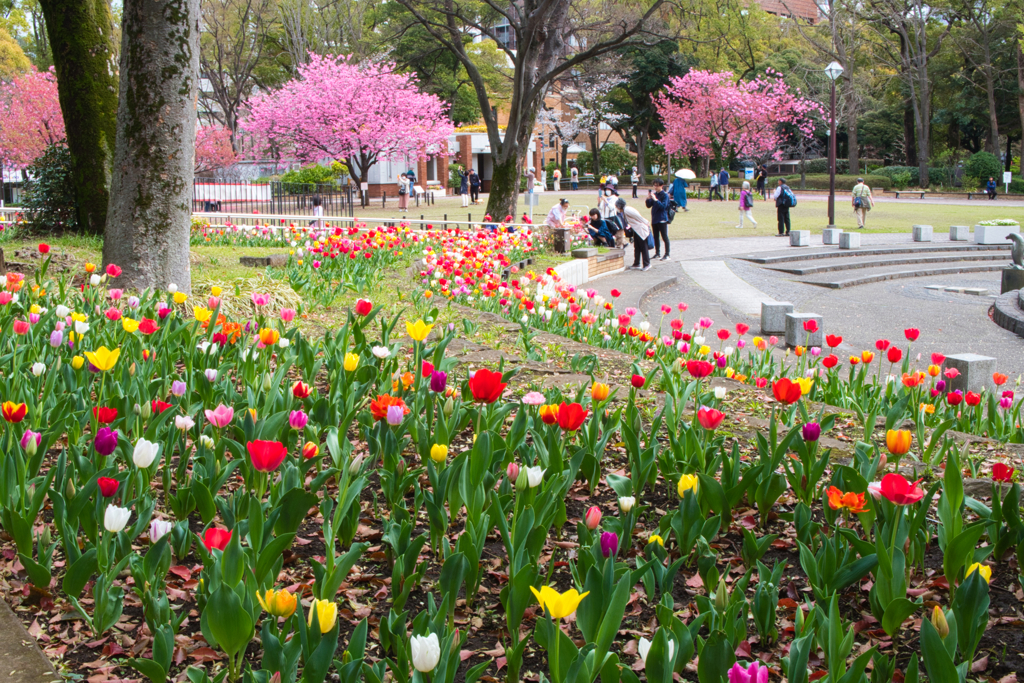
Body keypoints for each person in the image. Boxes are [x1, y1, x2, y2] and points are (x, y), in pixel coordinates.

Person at [615, 197, 652, 271]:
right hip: (636, 230)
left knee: (643, 247)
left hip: (640, 229)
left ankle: (647, 264)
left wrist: (646, 222)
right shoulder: (625, 210)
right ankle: (636, 263)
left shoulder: (627, 210)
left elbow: (638, 217)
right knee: (637, 247)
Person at [646, 178, 671, 260]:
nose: (655, 187)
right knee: (656, 237)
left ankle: (667, 254)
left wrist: (656, 200)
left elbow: (663, 207)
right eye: (654, 185)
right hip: (655, 218)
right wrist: (648, 198)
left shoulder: (665, 195)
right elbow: (649, 205)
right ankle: (657, 253)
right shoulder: (655, 194)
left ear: (661, 186)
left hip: (662, 218)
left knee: (664, 236)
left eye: (657, 185)